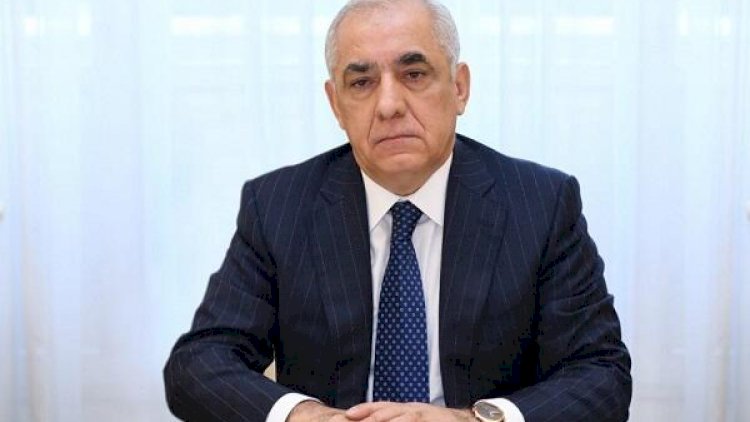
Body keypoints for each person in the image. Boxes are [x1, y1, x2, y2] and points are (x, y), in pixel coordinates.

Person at [163, 0, 632, 420]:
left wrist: (473, 421)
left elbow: (601, 374)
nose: (388, 105)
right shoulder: (279, 206)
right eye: (361, 82)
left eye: (414, 74)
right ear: (336, 104)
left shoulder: (541, 204)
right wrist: (306, 417)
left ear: (459, 87)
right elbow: (198, 364)